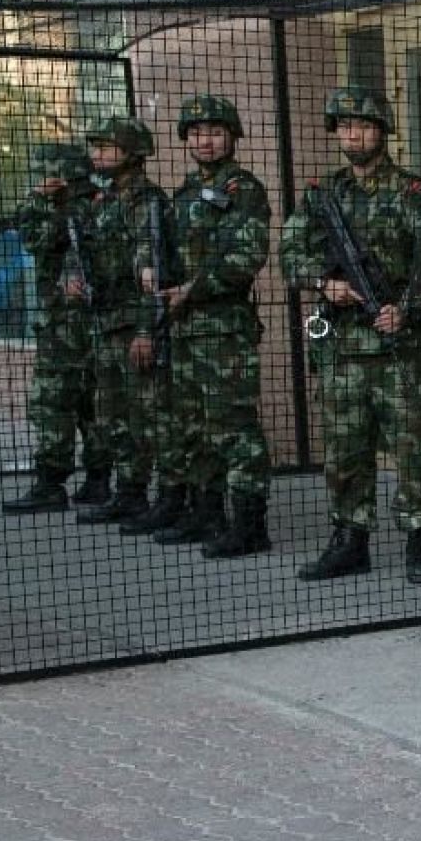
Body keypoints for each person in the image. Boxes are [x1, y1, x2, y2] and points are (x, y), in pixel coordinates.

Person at [280, 86, 421, 584]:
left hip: (398, 350)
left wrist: (407, 309)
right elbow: (289, 254)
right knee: (344, 450)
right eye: (345, 126)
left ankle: (419, 543)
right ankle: (348, 540)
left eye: (364, 125)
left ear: (382, 131)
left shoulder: (412, 193)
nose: (353, 134)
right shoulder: (322, 195)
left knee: (413, 451)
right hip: (341, 349)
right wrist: (324, 282)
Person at [158, 94, 274, 558]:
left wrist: (194, 289)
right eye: (196, 132)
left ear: (232, 137)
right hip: (184, 327)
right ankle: (207, 514)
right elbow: (164, 252)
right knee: (194, 425)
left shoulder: (243, 189)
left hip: (223, 328)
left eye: (214, 132)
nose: (205, 141)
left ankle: (249, 524)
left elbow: (247, 257)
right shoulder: (184, 192)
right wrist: (156, 275)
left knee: (233, 426)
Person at [0, 143, 112, 514]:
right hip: (93, 321)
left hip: (66, 324)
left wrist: (35, 198)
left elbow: (36, 238)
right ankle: (98, 480)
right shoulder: (98, 201)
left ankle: (50, 484)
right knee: (89, 401)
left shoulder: (66, 205)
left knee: (52, 401)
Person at [73, 117, 170, 529]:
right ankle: (128, 492)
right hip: (106, 323)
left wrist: (148, 330)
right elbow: (82, 255)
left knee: (148, 415)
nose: (97, 154)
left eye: (107, 146)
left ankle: (167, 496)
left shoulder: (147, 202)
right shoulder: (101, 201)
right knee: (112, 414)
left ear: (132, 152)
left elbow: (155, 272)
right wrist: (71, 280)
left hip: (135, 324)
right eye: (94, 146)